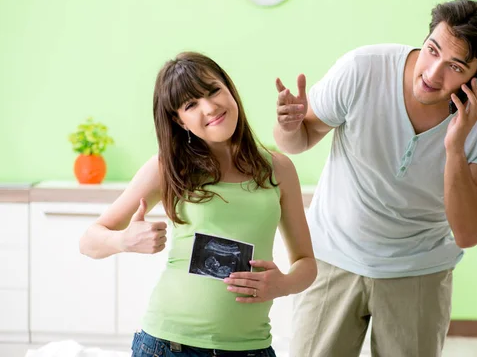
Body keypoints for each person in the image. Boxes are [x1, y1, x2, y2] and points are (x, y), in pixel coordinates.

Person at [273, 0, 477, 357]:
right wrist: (288, 126)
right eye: (432, 50)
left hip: (419, 270)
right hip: (333, 256)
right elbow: (298, 141)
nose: (432, 73)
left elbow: (468, 233)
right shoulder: (363, 69)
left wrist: (455, 146)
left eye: (454, 66)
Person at [79, 52, 317, 357]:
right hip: (170, 346)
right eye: (191, 105)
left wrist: (281, 285)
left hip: (251, 349)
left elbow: (306, 264)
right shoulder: (168, 167)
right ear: (180, 120)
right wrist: (123, 239)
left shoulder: (278, 169)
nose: (210, 107)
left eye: (213, 90)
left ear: (229, 89)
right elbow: (89, 241)